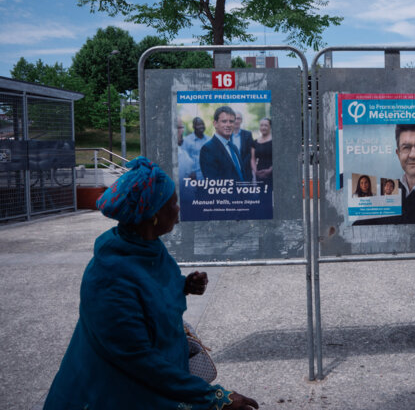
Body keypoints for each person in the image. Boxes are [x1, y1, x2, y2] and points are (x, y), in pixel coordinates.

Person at [43, 157, 259, 409]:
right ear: (153, 214)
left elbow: (150, 287)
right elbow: (139, 359)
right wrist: (213, 397)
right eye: (174, 202)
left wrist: (183, 285)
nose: (179, 208)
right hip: (107, 395)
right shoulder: (109, 278)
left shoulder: (147, 248)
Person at [353, 124, 415, 225]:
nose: (413, 154)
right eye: (406, 147)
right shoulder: (384, 192)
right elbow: (356, 231)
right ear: (398, 154)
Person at [199, 106, 250, 181]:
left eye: (231, 121)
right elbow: (213, 183)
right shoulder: (208, 149)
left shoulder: (233, 147)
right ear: (215, 124)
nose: (228, 125)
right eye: (224, 121)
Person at [250, 117, 272, 186]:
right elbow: (252, 159)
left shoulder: (275, 141)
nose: (263, 127)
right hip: (259, 173)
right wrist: (256, 171)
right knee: (261, 194)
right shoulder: (255, 142)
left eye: (266, 125)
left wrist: (269, 170)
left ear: (270, 127)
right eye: (261, 125)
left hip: (273, 173)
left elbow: (278, 158)